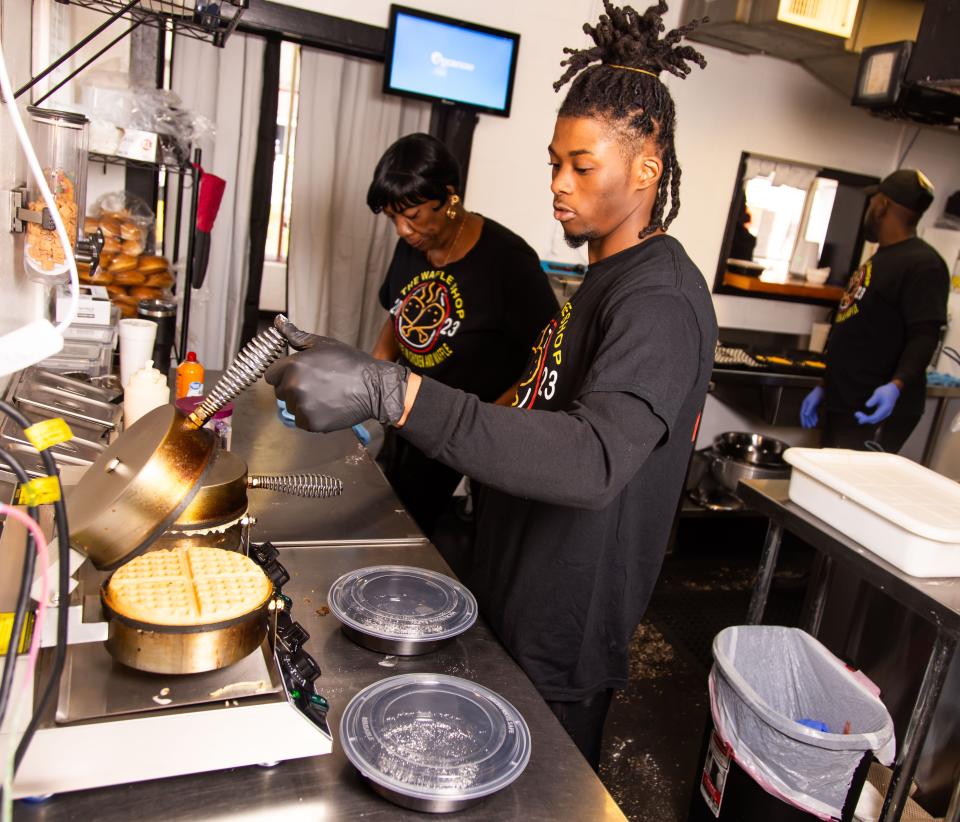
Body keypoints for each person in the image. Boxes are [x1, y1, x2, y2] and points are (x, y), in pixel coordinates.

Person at [266, 0, 717, 770]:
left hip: (560, 625)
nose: (557, 185)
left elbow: (591, 459)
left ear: (647, 166)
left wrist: (395, 394)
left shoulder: (661, 300)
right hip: (508, 583)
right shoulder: (602, 280)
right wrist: (376, 381)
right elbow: (532, 399)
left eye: (582, 166)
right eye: (553, 162)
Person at [367, 133, 558, 536]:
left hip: (467, 425)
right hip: (408, 414)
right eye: (393, 218)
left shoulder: (507, 261)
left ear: (450, 197)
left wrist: (489, 424)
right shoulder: (413, 247)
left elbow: (546, 358)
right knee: (391, 515)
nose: (403, 230)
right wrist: (367, 385)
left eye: (414, 215)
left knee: (416, 529)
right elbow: (397, 315)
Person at [801, 169, 949, 451]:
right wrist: (826, 385)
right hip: (844, 401)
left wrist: (897, 386)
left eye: (873, 201)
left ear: (882, 205)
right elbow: (861, 329)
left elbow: (925, 334)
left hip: (872, 409)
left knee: (848, 491)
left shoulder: (923, 264)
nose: (869, 208)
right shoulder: (881, 258)